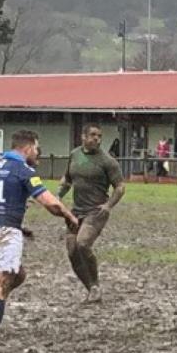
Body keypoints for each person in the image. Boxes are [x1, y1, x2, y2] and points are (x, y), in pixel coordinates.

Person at [0, 130, 78, 353]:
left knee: (18, 275)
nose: (37, 152)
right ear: (27, 148)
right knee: (1, 286)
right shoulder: (24, 171)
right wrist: (69, 216)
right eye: (36, 148)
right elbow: (50, 203)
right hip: (4, 232)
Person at [57, 123, 126, 303]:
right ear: (83, 137)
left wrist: (109, 205)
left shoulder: (107, 161)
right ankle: (92, 290)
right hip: (76, 211)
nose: (97, 139)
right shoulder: (74, 155)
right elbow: (67, 179)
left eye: (99, 136)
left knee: (82, 244)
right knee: (72, 252)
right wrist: (57, 196)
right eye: (93, 135)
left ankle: (94, 284)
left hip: (95, 211)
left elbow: (120, 186)